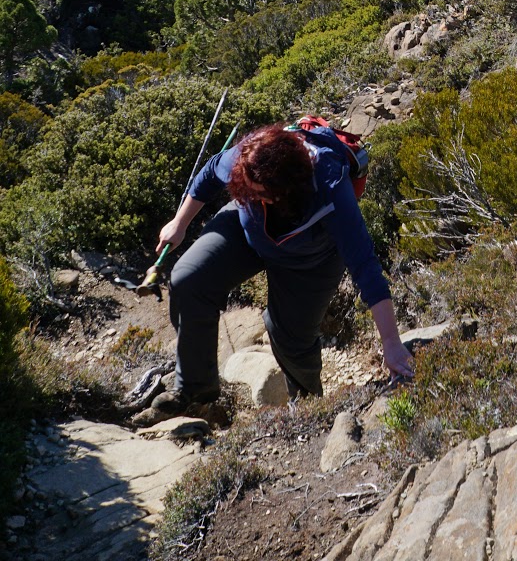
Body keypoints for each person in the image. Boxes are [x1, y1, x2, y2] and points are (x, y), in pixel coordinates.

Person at [137, 122, 414, 422]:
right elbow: (210, 171)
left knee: (290, 338)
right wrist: (180, 223)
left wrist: (391, 342)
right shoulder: (243, 162)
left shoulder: (328, 183)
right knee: (190, 278)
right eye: (248, 191)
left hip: (312, 258)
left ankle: (307, 408)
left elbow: (364, 264)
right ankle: (195, 393)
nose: (255, 198)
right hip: (247, 232)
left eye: (263, 194)